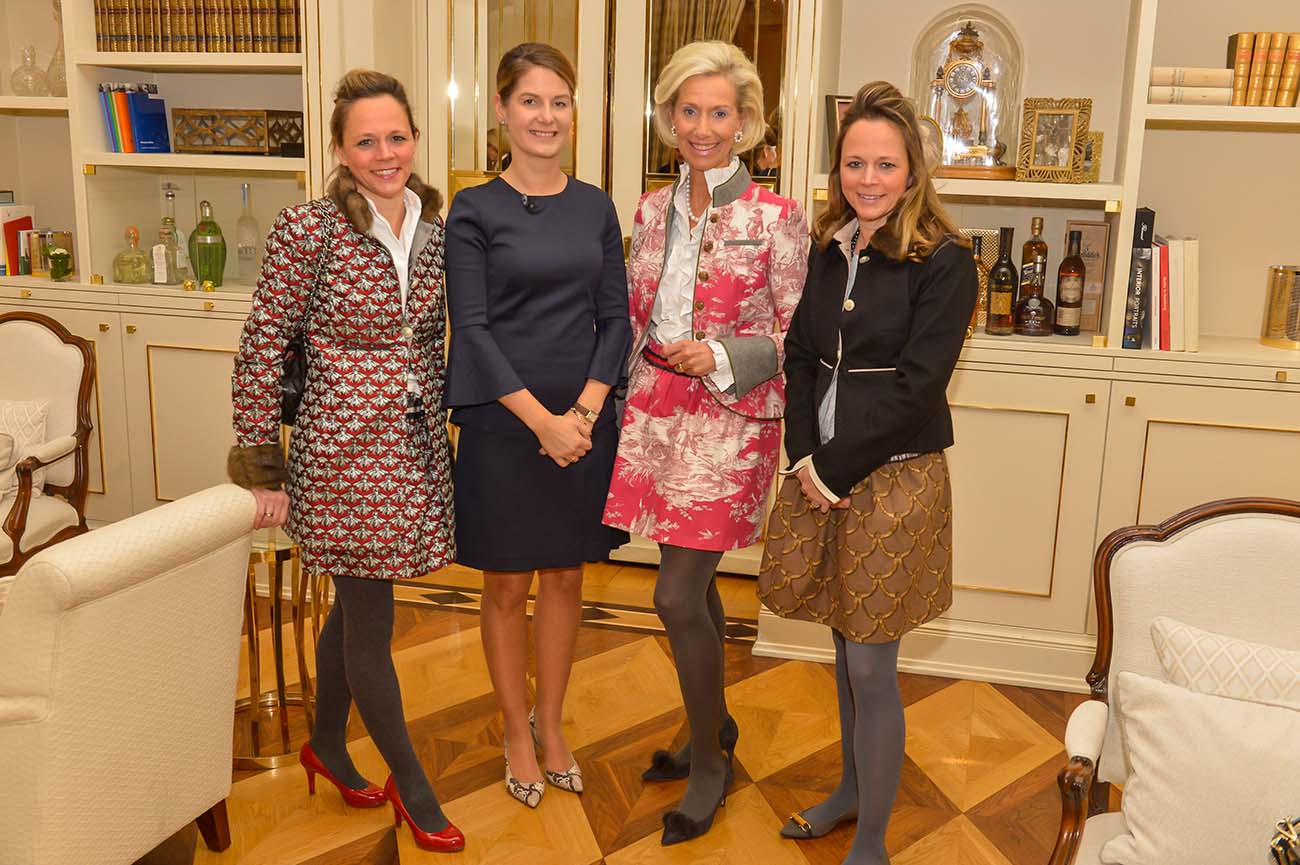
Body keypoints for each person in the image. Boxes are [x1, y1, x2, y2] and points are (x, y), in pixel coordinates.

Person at [226, 69, 464, 854]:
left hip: (415, 450)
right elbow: (262, 345)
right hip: (341, 456)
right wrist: (263, 467)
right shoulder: (310, 229)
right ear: (339, 149)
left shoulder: (436, 224)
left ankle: (327, 742)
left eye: (396, 137)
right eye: (366, 141)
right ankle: (413, 786)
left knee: (357, 605)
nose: (384, 153)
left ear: (415, 140)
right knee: (372, 621)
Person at [757, 81, 977, 865]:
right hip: (820, 472)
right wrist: (801, 455)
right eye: (856, 163)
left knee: (871, 663)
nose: (870, 178)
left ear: (913, 168)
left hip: (894, 481)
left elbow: (919, 388)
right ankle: (851, 792)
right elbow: (798, 355)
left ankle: (874, 842)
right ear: (838, 168)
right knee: (843, 648)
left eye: (886, 163)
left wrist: (832, 466)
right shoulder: (831, 246)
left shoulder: (946, 260)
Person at [602, 40, 808, 846]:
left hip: (730, 422)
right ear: (668, 117)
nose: (702, 126)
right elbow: (634, 311)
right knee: (697, 591)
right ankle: (709, 725)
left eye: (720, 112)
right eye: (689, 110)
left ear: (746, 122)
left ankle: (711, 767)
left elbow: (798, 334)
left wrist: (721, 353)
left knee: (674, 595)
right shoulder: (650, 210)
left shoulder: (778, 217)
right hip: (654, 411)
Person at [443, 43, 631, 809]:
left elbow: (616, 321)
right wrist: (542, 424)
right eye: (530, 100)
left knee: (566, 576)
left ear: (573, 112)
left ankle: (549, 724)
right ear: (502, 110)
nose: (546, 116)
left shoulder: (595, 206)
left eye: (559, 101)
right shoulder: (473, 209)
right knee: (505, 583)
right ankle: (513, 733)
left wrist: (581, 414)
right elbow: (473, 329)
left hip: (582, 424)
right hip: (504, 425)